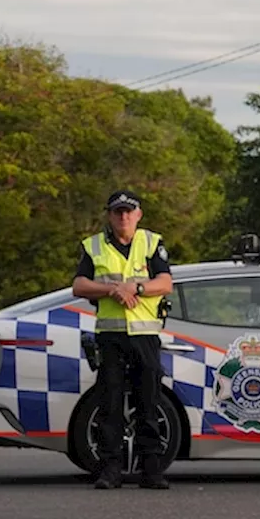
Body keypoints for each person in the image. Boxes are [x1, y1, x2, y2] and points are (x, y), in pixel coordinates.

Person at [72, 189, 173, 490]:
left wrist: (135, 289)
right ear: (109, 215)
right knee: (110, 404)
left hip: (144, 335)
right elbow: (78, 286)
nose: (124, 216)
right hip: (111, 336)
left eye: (129, 211)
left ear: (138, 215)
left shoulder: (151, 243)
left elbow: (165, 282)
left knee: (148, 402)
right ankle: (110, 470)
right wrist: (113, 290)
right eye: (118, 211)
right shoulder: (94, 247)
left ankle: (152, 470)